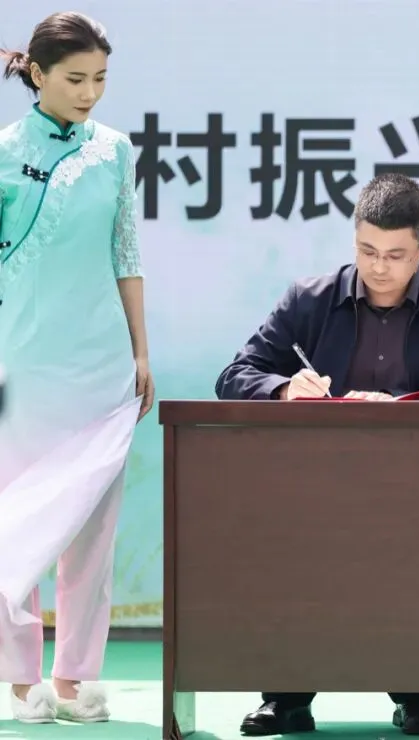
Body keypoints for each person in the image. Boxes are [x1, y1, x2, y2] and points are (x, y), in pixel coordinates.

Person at [216, 172, 419, 736]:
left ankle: (416, 697)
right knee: (293, 552)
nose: (378, 267)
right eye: (367, 251)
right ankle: (286, 698)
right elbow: (235, 375)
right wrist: (284, 389)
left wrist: (403, 412)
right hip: (316, 487)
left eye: (395, 255)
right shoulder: (308, 302)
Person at [0, 12, 154, 726]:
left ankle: (75, 676)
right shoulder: (4, 153)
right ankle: (17, 675)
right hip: (24, 364)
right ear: (36, 73)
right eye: (75, 79)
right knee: (20, 519)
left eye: (100, 79)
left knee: (93, 528)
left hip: (102, 364)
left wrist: (140, 350)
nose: (90, 93)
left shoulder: (115, 151)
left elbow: (126, 251)